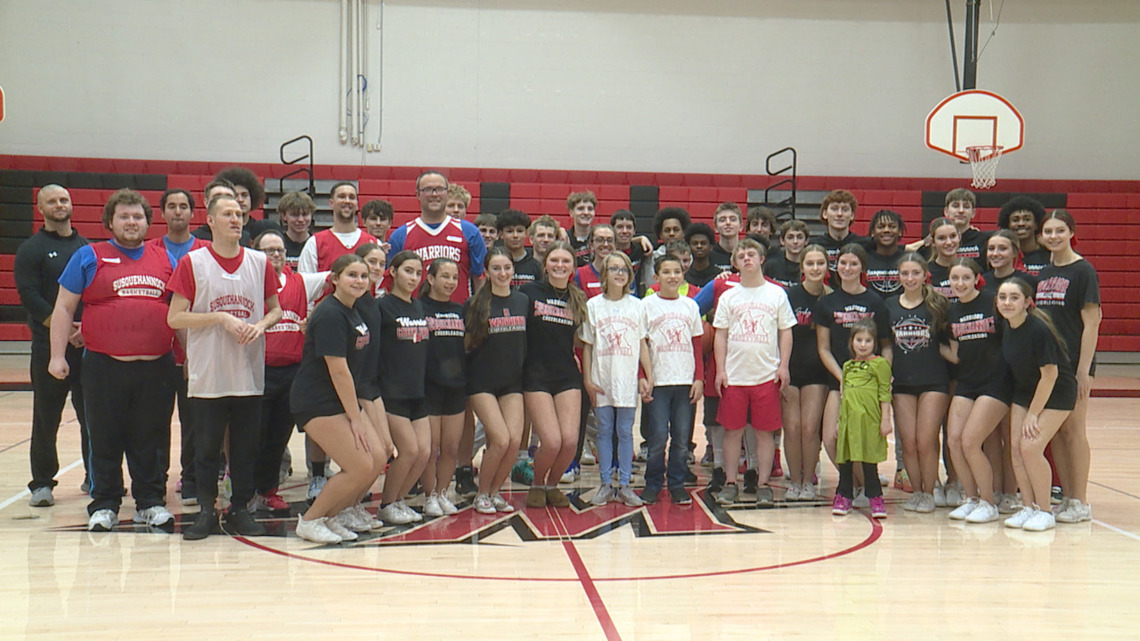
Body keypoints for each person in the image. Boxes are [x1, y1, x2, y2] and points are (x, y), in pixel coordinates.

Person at [49, 188, 176, 532]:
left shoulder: (166, 258)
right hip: (104, 366)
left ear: (148, 222)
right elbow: (63, 307)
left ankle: (150, 502)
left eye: (137, 216)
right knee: (104, 437)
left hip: (157, 366)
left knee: (151, 437)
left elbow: (180, 310)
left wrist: (189, 357)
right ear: (110, 221)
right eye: (124, 216)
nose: (131, 222)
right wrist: (57, 356)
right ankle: (104, 504)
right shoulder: (89, 256)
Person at [167, 194, 283, 540]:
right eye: (228, 214)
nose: (235, 219)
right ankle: (207, 509)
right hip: (209, 372)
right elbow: (175, 317)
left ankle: (239, 508)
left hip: (248, 371)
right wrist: (219, 317)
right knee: (206, 449)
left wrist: (260, 326)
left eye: (240, 214)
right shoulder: (193, 262)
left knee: (246, 448)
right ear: (211, 221)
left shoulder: (259, 262)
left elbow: (276, 309)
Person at [289, 254, 387, 543]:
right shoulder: (331, 314)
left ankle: (338, 514)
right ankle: (310, 520)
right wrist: (355, 418)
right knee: (360, 466)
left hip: (339, 398)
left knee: (377, 457)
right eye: (352, 275)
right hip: (317, 400)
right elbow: (338, 371)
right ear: (334, 279)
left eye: (364, 276)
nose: (359, 281)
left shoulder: (353, 310)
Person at [15, 184, 91, 506]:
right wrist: (63, 330)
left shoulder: (87, 248)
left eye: (64, 200)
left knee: (92, 416)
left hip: (86, 345)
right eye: (52, 201)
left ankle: (95, 477)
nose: (59, 205)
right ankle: (42, 484)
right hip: (48, 348)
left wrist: (85, 329)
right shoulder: (31, 250)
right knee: (46, 417)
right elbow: (31, 297)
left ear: (71, 204)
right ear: (40, 208)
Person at [712, 238, 795, 507]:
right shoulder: (729, 296)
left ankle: (763, 485)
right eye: (741, 255)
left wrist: (783, 366)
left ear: (761, 259)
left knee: (764, 433)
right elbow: (720, 335)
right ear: (734, 263)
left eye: (751, 254)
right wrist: (720, 370)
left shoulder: (776, 294)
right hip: (735, 376)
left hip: (766, 375)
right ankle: (730, 483)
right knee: (732, 432)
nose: (747, 258)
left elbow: (785, 331)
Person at [251, 230, 329, 513]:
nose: (276, 254)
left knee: (278, 437)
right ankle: (244, 492)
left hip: (292, 372)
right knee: (253, 437)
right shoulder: (249, 282)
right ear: (256, 253)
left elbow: (339, 276)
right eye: (269, 250)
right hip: (257, 370)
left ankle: (268, 491)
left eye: (280, 250)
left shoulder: (301, 282)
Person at [1035, 209, 1101, 523]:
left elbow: (1092, 323)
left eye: (1059, 230)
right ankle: (1067, 497)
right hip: (1052, 364)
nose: (1053, 236)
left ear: (1071, 232)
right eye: (1048, 231)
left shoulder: (1083, 270)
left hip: (1075, 363)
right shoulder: (1045, 273)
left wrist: (1083, 371)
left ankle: (1080, 500)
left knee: (1074, 430)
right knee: (1058, 433)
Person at [997, 279, 1077, 532]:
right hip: (1025, 391)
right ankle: (1028, 507)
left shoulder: (1038, 330)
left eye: (1014, 297)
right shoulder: (1007, 326)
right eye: (1002, 297)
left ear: (1027, 303)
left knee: (1030, 448)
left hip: (1056, 392)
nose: (1007, 302)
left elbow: (1050, 375)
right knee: (1016, 449)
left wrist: (1033, 414)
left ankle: (1045, 511)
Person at [149, 188, 210, 506]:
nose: (177, 211)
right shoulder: (149, 251)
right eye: (171, 206)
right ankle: (155, 483)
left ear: (192, 213)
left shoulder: (207, 251)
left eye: (183, 206)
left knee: (195, 423)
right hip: (158, 351)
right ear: (162, 213)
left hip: (197, 353)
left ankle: (192, 481)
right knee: (156, 422)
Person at [520, 242, 588, 508]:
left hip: (566, 375)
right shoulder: (529, 292)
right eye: (555, 260)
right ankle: (538, 483)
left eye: (565, 261)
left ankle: (552, 485)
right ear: (545, 265)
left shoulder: (577, 297)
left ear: (573, 267)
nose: (560, 265)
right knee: (551, 441)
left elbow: (580, 338)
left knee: (570, 442)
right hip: (536, 374)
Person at [582, 252, 652, 508]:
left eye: (624, 269)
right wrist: (587, 379)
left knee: (624, 431)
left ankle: (624, 485)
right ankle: (605, 484)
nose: (619, 273)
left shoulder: (637, 305)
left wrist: (648, 375)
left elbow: (642, 343)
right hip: (602, 377)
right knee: (603, 431)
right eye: (614, 268)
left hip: (626, 378)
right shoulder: (593, 305)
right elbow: (588, 346)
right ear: (605, 274)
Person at [816, 244, 893, 472]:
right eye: (843, 263)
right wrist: (843, 377)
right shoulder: (826, 303)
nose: (847, 268)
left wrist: (882, 374)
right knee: (830, 437)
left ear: (862, 267)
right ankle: (853, 483)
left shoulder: (876, 302)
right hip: (840, 380)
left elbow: (887, 346)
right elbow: (823, 349)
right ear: (836, 266)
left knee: (863, 438)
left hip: (868, 384)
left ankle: (865, 484)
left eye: (853, 263)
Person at [945, 259, 1011, 523]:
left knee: (970, 442)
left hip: (995, 382)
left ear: (976, 279)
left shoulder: (993, 302)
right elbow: (955, 354)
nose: (959, 283)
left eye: (965, 278)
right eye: (954, 278)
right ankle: (971, 498)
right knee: (954, 441)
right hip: (967, 381)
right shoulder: (951, 311)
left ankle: (988, 502)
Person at [887, 253, 953, 514]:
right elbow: (886, 346)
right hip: (902, 382)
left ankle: (930, 489)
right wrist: (885, 375)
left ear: (925, 274)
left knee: (926, 441)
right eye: (905, 273)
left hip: (933, 380)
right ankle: (917, 492)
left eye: (915, 273)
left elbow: (948, 342)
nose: (910, 278)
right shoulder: (889, 305)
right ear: (899, 276)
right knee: (909, 441)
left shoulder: (937, 304)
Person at [465, 248, 529, 513]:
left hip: (512, 383)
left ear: (513, 270)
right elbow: (466, 347)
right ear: (487, 272)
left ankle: (495, 492)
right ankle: (481, 494)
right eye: (496, 268)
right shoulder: (475, 304)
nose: (503, 273)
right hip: (482, 383)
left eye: (507, 268)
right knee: (500, 440)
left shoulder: (522, 301)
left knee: (513, 442)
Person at [640, 253, 704, 505]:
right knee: (657, 438)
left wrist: (699, 378)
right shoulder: (646, 305)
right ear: (656, 276)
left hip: (684, 381)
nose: (672, 276)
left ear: (683, 275)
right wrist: (642, 376)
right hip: (659, 381)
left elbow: (697, 344)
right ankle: (653, 483)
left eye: (677, 271)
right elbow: (641, 345)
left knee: (681, 439)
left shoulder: (690, 306)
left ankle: (677, 484)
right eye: (666, 272)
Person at [376, 251, 432, 524]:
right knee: (408, 450)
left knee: (424, 452)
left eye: (418, 273)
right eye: (408, 271)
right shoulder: (382, 307)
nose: (413, 278)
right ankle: (387, 504)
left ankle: (399, 500)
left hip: (417, 390)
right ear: (393, 272)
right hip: (391, 391)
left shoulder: (419, 306)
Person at [386, 171, 486, 303]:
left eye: (439, 189)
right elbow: (391, 282)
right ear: (418, 194)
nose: (434, 194)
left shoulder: (469, 232)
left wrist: (478, 310)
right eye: (427, 189)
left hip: (458, 312)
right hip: (415, 313)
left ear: (447, 193)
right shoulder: (400, 235)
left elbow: (479, 278)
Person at [782, 245, 831, 501]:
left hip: (817, 373)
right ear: (802, 267)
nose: (815, 268)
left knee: (810, 428)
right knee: (792, 428)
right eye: (810, 263)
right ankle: (795, 481)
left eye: (820, 263)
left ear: (827, 267)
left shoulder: (831, 298)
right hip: (790, 370)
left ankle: (809, 480)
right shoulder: (788, 296)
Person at [419, 258, 467, 517]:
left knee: (451, 448)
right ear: (430, 279)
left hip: (455, 387)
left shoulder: (460, 310)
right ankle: (429, 496)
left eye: (454, 277)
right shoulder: (419, 308)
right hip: (429, 387)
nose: (450, 282)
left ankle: (442, 492)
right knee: (431, 449)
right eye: (445, 276)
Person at [832, 319, 892, 519]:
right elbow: (845, 396)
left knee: (869, 462)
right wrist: (840, 422)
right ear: (851, 341)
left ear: (875, 343)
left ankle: (875, 498)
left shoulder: (880, 364)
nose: (863, 344)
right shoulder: (847, 366)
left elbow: (885, 393)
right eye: (859, 340)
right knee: (846, 461)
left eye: (868, 340)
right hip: (849, 421)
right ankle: (844, 496)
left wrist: (885, 419)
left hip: (869, 421)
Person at [298, 182, 379, 273]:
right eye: (342, 196)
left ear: (357, 204)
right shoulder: (315, 243)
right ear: (331, 203)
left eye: (351, 197)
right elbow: (305, 279)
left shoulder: (373, 243)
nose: (347, 201)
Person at [809, 190, 870, 278]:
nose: (839, 214)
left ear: (852, 215)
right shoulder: (813, 245)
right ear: (825, 214)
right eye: (834, 209)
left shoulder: (865, 245)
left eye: (845, 209)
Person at [642, 207, 691, 292]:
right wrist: (640, 238)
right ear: (660, 234)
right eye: (667, 230)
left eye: (676, 230)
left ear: (683, 233)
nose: (671, 233)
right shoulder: (651, 257)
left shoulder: (692, 256)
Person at [216, 166, 273, 239]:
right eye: (235, 195)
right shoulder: (219, 230)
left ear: (252, 197)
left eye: (244, 195)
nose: (240, 200)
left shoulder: (260, 230)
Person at [998, 196, 1049, 276]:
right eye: (1015, 220)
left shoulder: (1050, 254)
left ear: (1036, 224)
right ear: (1008, 225)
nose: (1021, 223)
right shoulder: (1002, 255)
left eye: (1027, 219)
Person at [865, 209, 904, 300]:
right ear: (873, 232)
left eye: (892, 226)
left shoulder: (908, 259)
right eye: (880, 227)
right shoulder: (863, 259)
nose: (886, 230)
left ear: (900, 231)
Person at [496, 209, 541, 288]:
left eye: (520, 231)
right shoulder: (494, 262)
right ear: (501, 234)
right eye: (510, 231)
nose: (515, 235)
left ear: (526, 233)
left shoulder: (536, 266)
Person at [983, 229, 1038, 293]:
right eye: (991, 248)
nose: (995, 254)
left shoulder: (1028, 280)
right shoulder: (982, 280)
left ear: (1015, 252)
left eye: (1003, 248)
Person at [574, 224, 618, 298]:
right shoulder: (579, 274)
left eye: (610, 240)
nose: (605, 244)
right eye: (600, 240)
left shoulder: (624, 273)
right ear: (591, 245)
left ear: (615, 245)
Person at [763, 220, 809, 289]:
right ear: (782, 240)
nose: (795, 241)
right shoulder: (771, 266)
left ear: (806, 241)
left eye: (799, 237)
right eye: (790, 237)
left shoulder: (810, 267)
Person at [277, 191, 317, 270]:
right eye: (295, 215)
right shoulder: (277, 244)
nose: (300, 219)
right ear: (284, 216)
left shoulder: (317, 244)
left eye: (305, 214)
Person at [610, 209, 645, 295]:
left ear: (634, 230)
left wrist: (642, 238)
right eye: (620, 227)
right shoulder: (608, 253)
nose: (625, 231)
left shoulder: (641, 249)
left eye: (629, 227)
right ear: (612, 230)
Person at [926, 217, 961, 302]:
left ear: (959, 237)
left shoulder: (971, 269)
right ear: (933, 241)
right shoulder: (925, 272)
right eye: (942, 238)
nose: (949, 242)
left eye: (953, 236)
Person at [566, 191, 598, 266]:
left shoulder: (600, 238)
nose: (586, 212)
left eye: (590, 209)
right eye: (580, 209)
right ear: (571, 212)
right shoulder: (564, 239)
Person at [708, 203, 743, 273]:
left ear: (741, 226)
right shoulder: (708, 255)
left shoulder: (748, 254)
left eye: (733, 219)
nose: (728, 223)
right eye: (722, 220)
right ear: (715, 227)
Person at [684, 222, 721, 288]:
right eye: (695, 243)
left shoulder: (719, 275)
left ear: (711, 247)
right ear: (688, 247)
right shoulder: (684, 275)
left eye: (703, 243)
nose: (699, 246)